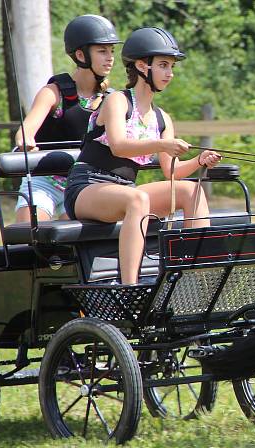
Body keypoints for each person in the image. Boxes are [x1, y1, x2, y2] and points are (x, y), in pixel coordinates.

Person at [63, 27, 221, 284]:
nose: (169, 73)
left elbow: (172, 173)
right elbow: (118, 146)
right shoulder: (118, 101)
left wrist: (199, 160)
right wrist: (162, 144)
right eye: (163, 65)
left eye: (171, 66)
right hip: (88, 187)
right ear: (141, 66)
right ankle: (130, 286)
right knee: (136, 199)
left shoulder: (162, 119)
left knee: (192, 191)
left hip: (125, 190)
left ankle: (197, 278)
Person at [14, 14, 121, 222]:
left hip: (85, 184)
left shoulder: (111, 99)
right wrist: (25, 141)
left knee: (74, 248)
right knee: (31, 236)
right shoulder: (54, 92)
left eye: (112, 51)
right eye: (102, 51)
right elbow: (25, 131)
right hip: (44, 180)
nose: (110, 57)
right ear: (81, 55)